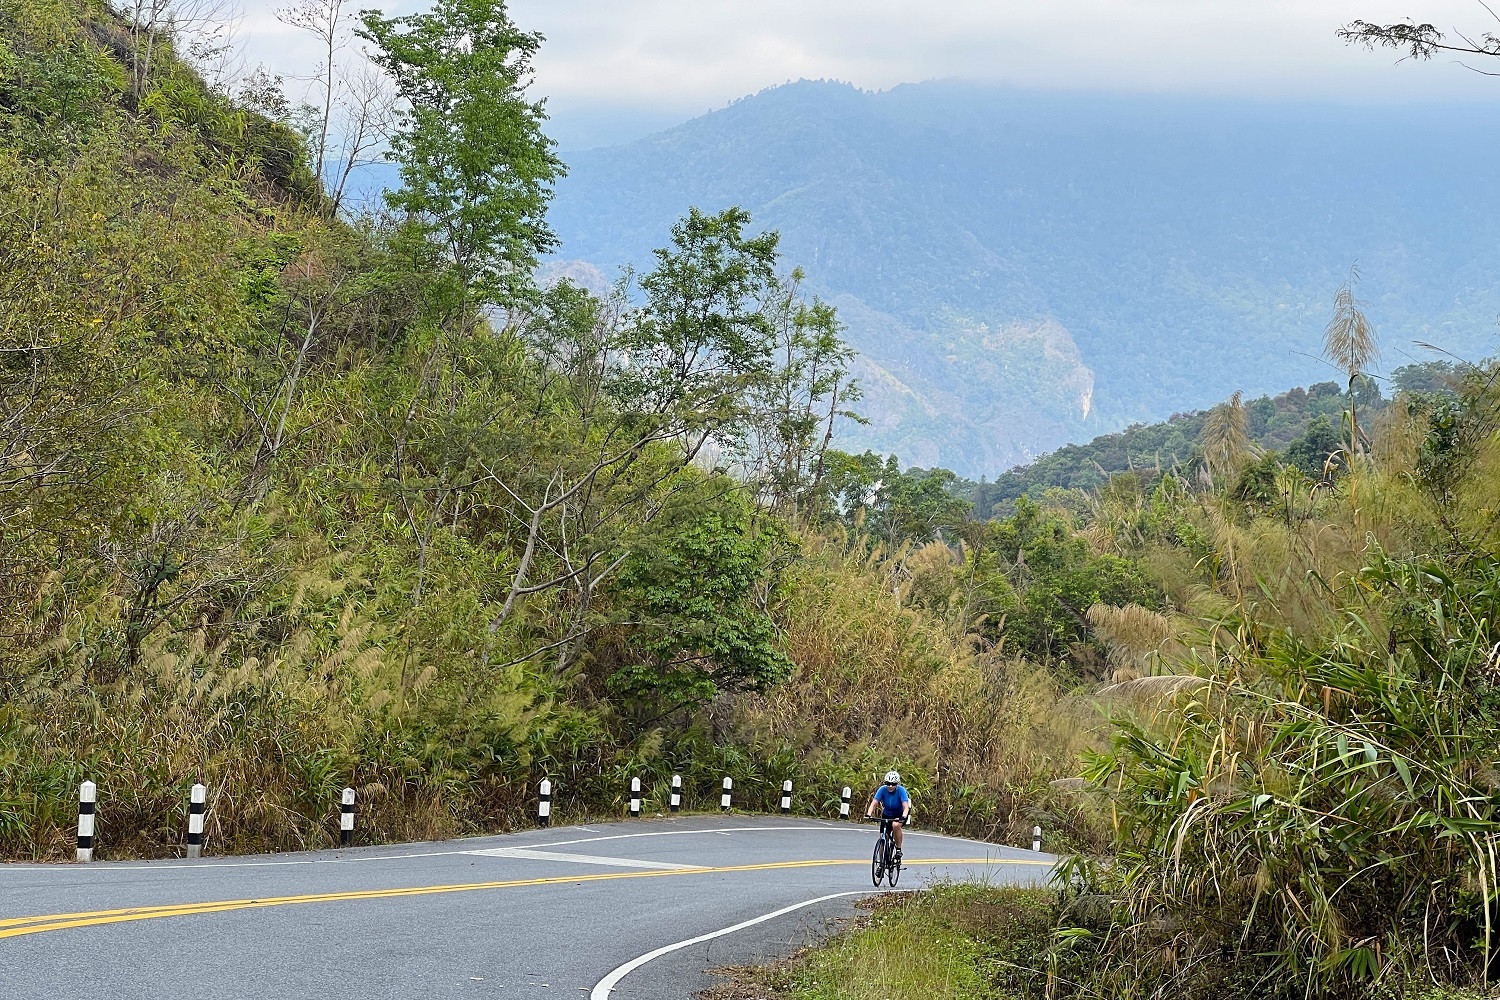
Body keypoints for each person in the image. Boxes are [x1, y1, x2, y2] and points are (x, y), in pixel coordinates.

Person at [865, 770, 912, 861]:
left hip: (899, 815)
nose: (890, 786)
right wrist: (868, 814)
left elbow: (905, 806)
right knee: (883, 837)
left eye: (893, 784)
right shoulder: (882, 789)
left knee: (895, 825)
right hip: (887, 814)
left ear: (897, 784)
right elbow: (874, 803)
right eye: (888, 783)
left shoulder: (901, 790)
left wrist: (904, 816)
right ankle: (881, 862)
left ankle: (898, 849)